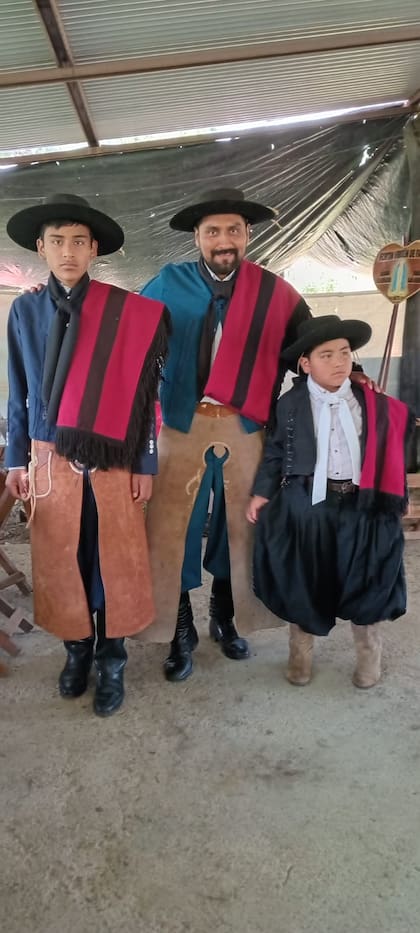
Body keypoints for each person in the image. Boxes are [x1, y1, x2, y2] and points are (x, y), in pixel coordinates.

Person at [140, 186, 321, 682]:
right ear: (197, 237)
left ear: (248, 236)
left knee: (241, 527)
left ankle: (226, 617)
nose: (225, 240)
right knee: (170, 528)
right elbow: (123, 336)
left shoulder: (276, 292)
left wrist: (346, 377)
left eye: (234, 231)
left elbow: (309, 350)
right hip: (181, 422)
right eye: (214, 231)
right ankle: (178, 630)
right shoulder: (166, 284)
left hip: (246, 426)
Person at [5, 193, 169, 715]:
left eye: (78, 241)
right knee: (62, 557)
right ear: (41, 247)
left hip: (115, 457)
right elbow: (18, 392)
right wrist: (14, 460)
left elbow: (147, 397)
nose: (68, 252)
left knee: (112, 560)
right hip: (50, 457)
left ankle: (112, 657)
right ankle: (76, 651)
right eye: (57, 242)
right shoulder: (26, 310)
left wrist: (146, 461)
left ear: (95, 248)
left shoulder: (125, 314)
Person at [247, 315, 414, 688]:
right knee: (306, 579)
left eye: (344, 352)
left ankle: (369, 653)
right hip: (309, 505)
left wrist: (398, 494)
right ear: (305, 364)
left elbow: (390, 454)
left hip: (363, 507)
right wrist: (262, 492)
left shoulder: (370, 401)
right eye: (327, 355)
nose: (340, 362)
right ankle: (300, 653)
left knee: (368, 580)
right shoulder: (289, 405)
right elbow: (276, 453)